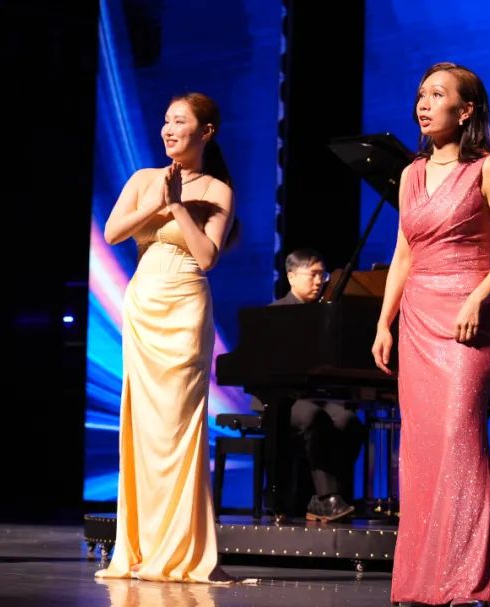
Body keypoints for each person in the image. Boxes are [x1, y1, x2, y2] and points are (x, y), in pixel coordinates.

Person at [371, 63, 490, 605]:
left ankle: (474, 581)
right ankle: (424, 582)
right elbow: (403, 254)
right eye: (421, 94)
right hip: (418, 318)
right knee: (422, 449)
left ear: (465, 111)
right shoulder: (411, 174)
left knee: (459, 439)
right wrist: (384, 321)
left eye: (437, 95)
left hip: (467, 318)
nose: (424, 104)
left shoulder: (488, 169)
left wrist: (477, 297)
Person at [96, 92, 236, 583]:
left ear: (206, 132)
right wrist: (156, 200)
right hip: (144, 303)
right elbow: (112, 233)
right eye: (166, 120)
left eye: (180, 121)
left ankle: (179, 549)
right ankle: (141, 546)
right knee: (143, 426)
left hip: (184, 307)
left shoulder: (217, 190)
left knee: (177, 427)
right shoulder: (142, 179)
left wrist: (177, 207)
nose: (169, 129)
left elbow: (207, 257)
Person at [270, 248, 364, 522]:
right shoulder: (275, 314)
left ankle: (328, 495)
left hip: (315, 395)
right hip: (281, 398)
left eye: (322, 275)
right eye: (312, 274)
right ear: (291, 277)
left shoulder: (326, 315)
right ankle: (326, 498)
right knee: (315, 417)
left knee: (349, 421)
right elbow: (269, 364)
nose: (319, 281)